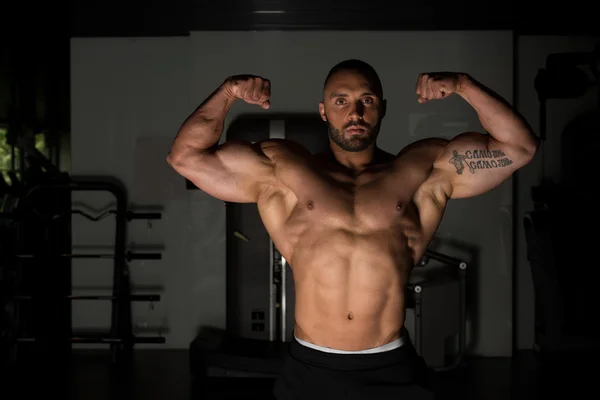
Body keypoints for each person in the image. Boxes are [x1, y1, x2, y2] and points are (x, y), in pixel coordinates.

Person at [167, 60, 539, 399]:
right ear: (323, 110)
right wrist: (228, 92)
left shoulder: (421, 170)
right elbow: (184, 157)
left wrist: (463, 84)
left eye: (367, 100)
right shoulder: (282, 170)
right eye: (341, 101)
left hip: (392, 369)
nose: (355, 112)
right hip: (310, 370)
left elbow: (519, 147)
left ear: (383, 108)